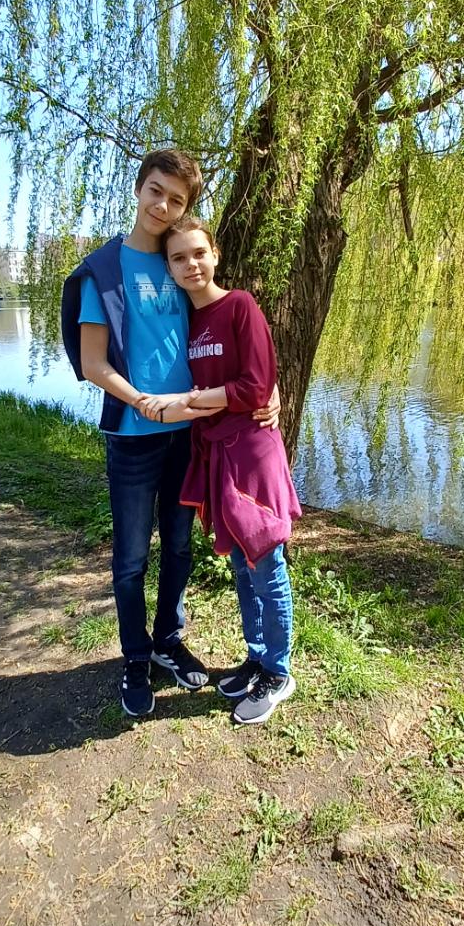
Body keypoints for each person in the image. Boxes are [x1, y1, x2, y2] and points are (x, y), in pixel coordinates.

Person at [60, 150, 278, 720]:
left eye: (176, 199)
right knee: (132, 558)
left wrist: (266, 389)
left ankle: (167, 640)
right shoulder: (104, 270)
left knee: (179, 547)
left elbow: (228, 331)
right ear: (139, 188)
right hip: (134, 437)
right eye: (156, 191)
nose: (162, 205)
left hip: (192, 437)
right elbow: (92, 363)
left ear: (186, 208)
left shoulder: (181, 260)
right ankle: (135, 658)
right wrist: (143, 404)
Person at [152, 215, 301, 727]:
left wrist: (194, 400)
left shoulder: (240, 306)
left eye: (199, 253)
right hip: (216, 454)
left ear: (215, 254)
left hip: (253, 454)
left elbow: (257, 386)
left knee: (266, 562)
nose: (191, 264)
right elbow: (237, 389)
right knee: (241, 564)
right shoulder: (187, 323)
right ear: (169, 268)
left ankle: (279, 672)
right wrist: (206, 402)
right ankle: (257, 657)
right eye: (178, 257)